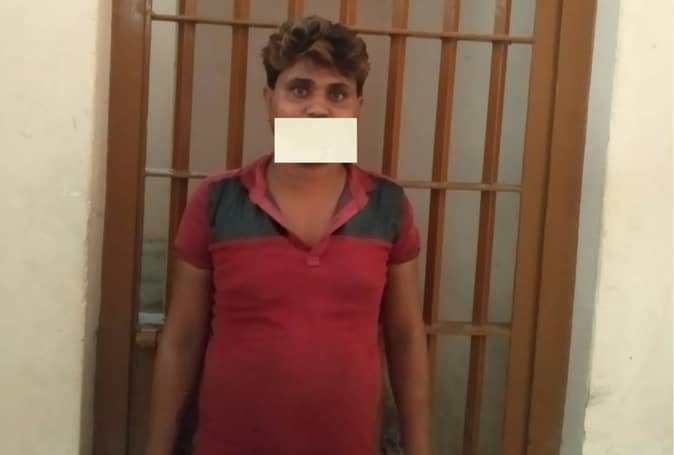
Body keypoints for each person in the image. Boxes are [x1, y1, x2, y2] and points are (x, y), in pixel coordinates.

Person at [145, 15, 430, 455]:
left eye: (337, 93)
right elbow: (181, 340)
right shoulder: (217, 201)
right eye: (299, 90)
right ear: (269, 101)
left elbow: (407, 340)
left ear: (357, 107)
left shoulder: (388, 205)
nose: (317, 108)